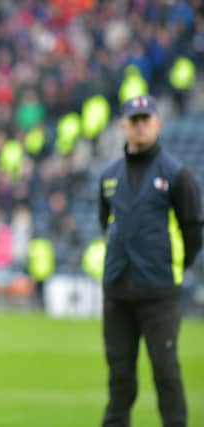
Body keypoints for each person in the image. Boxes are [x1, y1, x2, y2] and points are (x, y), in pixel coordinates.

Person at [98, 94, 203, 427]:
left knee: (166, 373)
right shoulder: (109, 175)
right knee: (119, 378)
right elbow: (107, 223)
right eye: (134, 120)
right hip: (117, 290)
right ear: (124, 125)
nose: (140, 125)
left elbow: (193, 230)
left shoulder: (177, 175)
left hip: (159, 292)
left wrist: (171, 266)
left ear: (157, 124)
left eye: (146, 119)